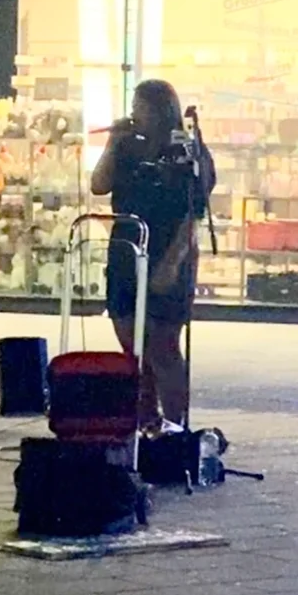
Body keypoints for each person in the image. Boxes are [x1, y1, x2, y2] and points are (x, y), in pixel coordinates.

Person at [91, 80, 215, 428]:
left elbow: (195, 213)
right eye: (134, 105)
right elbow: (99, 185)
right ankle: (145, 420)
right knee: (131, 340)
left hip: (166, 250)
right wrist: (112, 142)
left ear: (163, 111)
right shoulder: (128, 147)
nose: (134, 113)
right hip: (127, 248)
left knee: (163, 344)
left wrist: (173, 263)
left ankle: (177, 425)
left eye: (141, 106)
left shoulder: (188, 151)